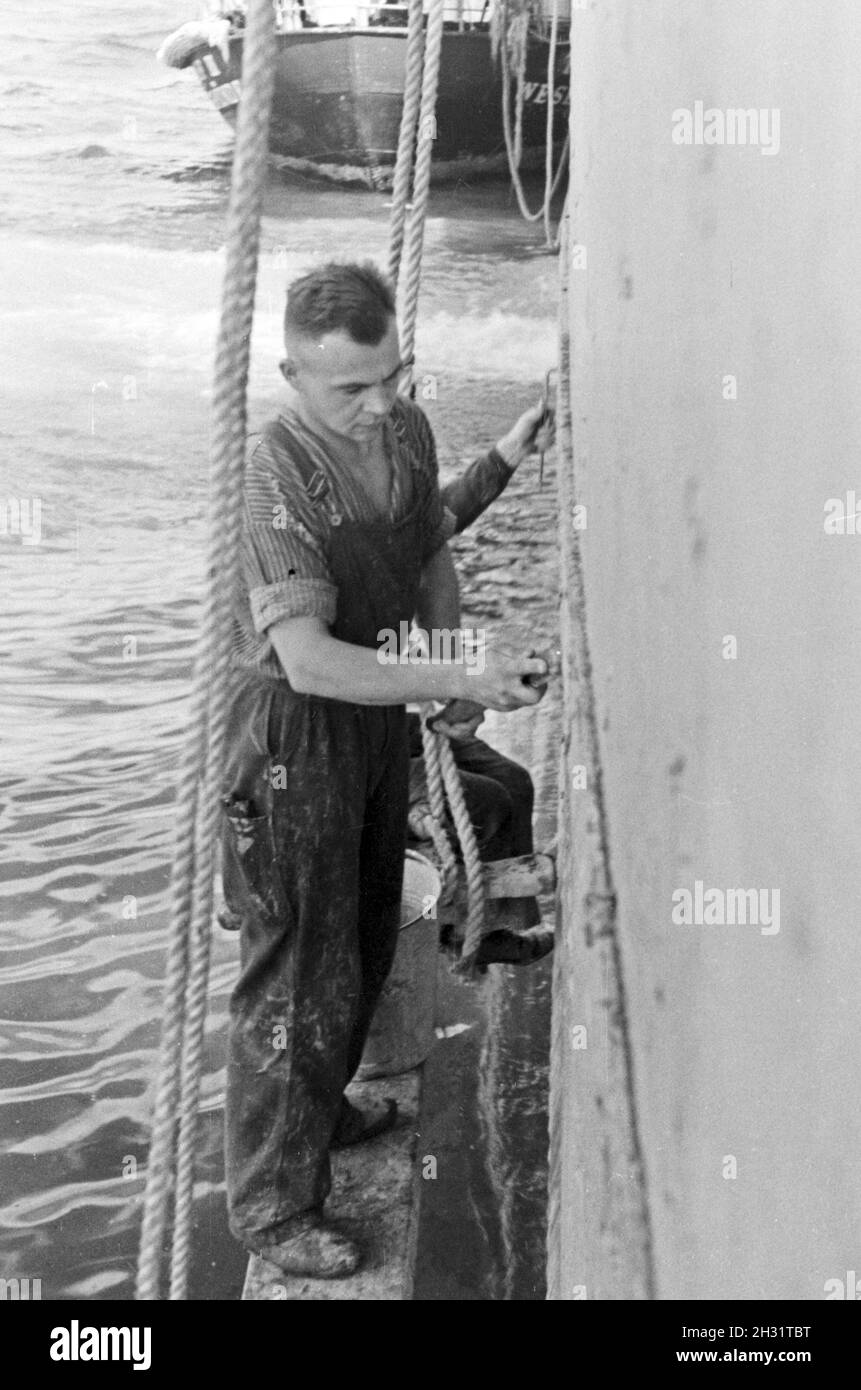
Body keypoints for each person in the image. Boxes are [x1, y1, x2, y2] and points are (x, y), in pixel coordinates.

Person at [220, 261, 550, 1279]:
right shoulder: (269, 476)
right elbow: (309, 658)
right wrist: (453, 673)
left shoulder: (402, 428)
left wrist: (500, 458)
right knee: (294, 975)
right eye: (347, 391)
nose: (377, 407)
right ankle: (273, 1206)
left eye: (389, 378)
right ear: (291, 375)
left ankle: (330, 1107)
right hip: (291, 742)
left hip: (372, 723)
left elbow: (424, 542)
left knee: (361, 938)